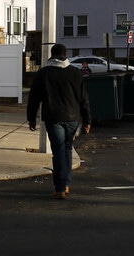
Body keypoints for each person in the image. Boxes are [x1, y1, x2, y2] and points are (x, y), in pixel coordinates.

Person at [27, 43, 92, 199]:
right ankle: (66, 183)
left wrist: (31, 119)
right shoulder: (75, 73)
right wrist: (87, 120)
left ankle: (60, 187)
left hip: (53, 117)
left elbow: (34, 98)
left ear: (52, 54)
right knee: (67, 149)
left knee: (58, 151)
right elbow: (84, 99)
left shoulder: (43, 73)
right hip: (72, 117)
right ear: (66, 54)